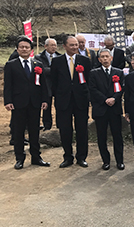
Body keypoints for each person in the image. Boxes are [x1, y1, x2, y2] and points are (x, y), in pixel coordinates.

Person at [4, 36, 50, 170]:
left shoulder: (38, 64)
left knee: (34, 131)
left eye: (27, 47)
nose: (24, 49)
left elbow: (43, 86)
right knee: (18, 132)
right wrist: (8, 101)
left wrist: (44, 100)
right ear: (17, 49)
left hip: (35, 103)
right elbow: (8, 85)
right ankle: (20, 158)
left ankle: (36, 157)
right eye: (22, 47)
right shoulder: (11, 65)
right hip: (18, 103)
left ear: (31, 49)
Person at [51, 36, 92, 168]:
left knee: (82, 129)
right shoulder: (57, 61)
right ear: (64, 46)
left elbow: (89, 80)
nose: (75, 47)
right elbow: (54, 82)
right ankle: (67, 157)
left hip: (81, 100)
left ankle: (81, 157)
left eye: (76, 44)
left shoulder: (85, 60)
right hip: (64, 101)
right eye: (72, 45)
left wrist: (88, 97)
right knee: (65, 129)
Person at [89, 48, 124, 170]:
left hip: (114, 108)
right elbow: (92, 89)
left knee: (117, 135)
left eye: (106, 56)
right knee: (101, 136)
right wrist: (105, 99)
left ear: (111, 58)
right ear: (99, 59)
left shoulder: (118, 72)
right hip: (101, 108)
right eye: (102, 57)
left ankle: (120, 160)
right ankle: (106, 160)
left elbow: (121, 89)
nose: (105, 59)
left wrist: (114, 98)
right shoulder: (94, 73)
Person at [35, 38, 60, 131]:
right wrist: (54, 71)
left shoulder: (59, 56)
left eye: (55, 45)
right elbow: (42, 70)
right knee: (46, 105)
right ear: (45, 46)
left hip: (57, 85)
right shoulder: (38, 57)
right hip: (46, 85)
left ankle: (59, 125)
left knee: (59, 106)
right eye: (52, 45)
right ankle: (47, 125)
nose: (54, 47)